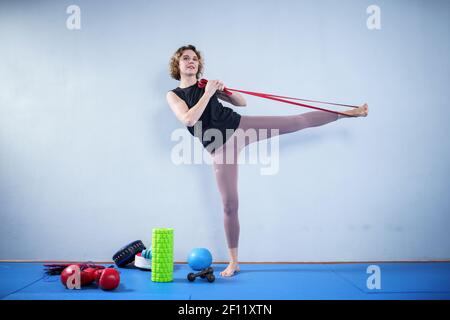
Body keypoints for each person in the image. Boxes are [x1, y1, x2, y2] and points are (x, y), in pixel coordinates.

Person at [166, 44, 368, 277]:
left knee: (297, 121)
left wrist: (223, 90)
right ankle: (234, 262)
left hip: (241, 127)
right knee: (230, 205)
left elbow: (242, 103)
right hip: (219, 147)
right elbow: (189, 119)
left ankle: (349, 113)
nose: (191, 62)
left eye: (194, 59)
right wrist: (209, 93)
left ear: (198, 64)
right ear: (178, 64)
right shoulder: (174, 95)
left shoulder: (206, 85)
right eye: (185, 58)